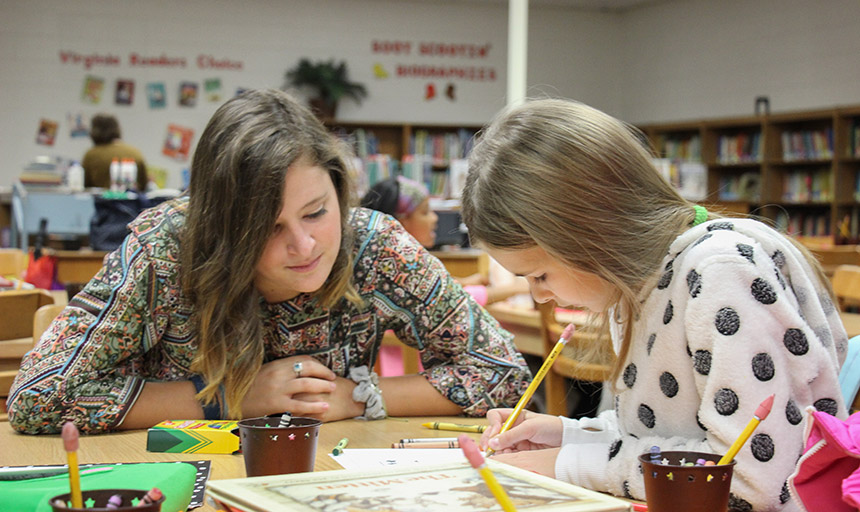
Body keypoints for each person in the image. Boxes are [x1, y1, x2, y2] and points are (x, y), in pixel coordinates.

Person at [8, 89, 531, 435]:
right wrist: (227, 399)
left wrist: (360, 396)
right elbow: (38, 396)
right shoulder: (166, 250)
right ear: (221, 229)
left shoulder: (373, 245)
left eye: (317, 212)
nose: (304, 246)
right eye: (268, 228)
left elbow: (503, 373)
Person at [465, 98, 847, 511]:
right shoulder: (637, 284)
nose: (540, 295)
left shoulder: (721, 273)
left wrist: (571, 463)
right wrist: (569, 435)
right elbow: (664, 432)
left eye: (540, 275)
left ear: (591, 232)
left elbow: (749, 478)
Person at [361, 176, 529, 306]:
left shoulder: (381, 262)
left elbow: (434, 286)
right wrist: (515, 288)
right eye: (426, 212)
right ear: (401, 222)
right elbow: (453, 300)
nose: (435, 218)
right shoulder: (399, 266)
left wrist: (467, 281)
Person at [81, 113, 148, 190]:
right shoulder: (135, 153)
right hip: (132, 200)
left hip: (102, 201)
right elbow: (144, 185)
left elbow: (85, 187)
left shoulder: (91, 155)